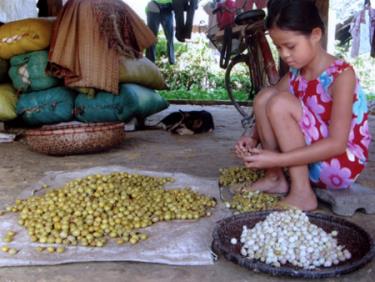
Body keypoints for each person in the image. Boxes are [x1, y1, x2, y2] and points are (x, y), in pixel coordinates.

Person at [234, 0, 371, 211]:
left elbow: (337, 144)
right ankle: (275, 178)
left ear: (316, 35)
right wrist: (253, 138)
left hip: (340, 163)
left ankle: (302, 193)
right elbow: (265, 102)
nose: (284, 54)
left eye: (290, 46)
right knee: (265, 96)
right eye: (278, 47)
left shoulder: (341, 76)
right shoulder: (297, 73)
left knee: (280, 102)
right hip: (308, 159)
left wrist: (278, 158)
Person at [146, 0, 176, 64]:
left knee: (170, 37)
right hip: (153, 8)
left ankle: (172, 60)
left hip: (168, 9)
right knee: (151, 37)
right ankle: (149, 62)